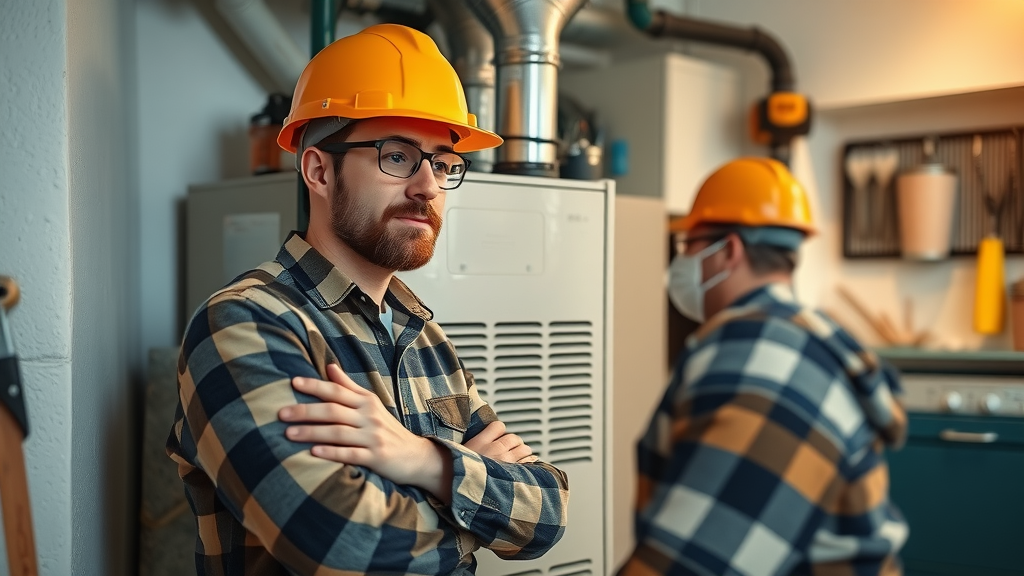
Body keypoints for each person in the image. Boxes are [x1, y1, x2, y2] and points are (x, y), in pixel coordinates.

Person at [166, 23, 569, 576]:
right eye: (398, 156)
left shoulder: (424, 338)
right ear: (318, 170)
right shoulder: (245, 323)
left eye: (443, 163)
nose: (428, 186)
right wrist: (472, 497)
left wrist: (423, 460)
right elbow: (338, 542)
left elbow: (547, 511)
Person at [617, 157, 908, 575]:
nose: (679, 263)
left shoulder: (764, 361)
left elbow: (699, 562)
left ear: (728, 251)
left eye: (688, 247)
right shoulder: (795, 338)